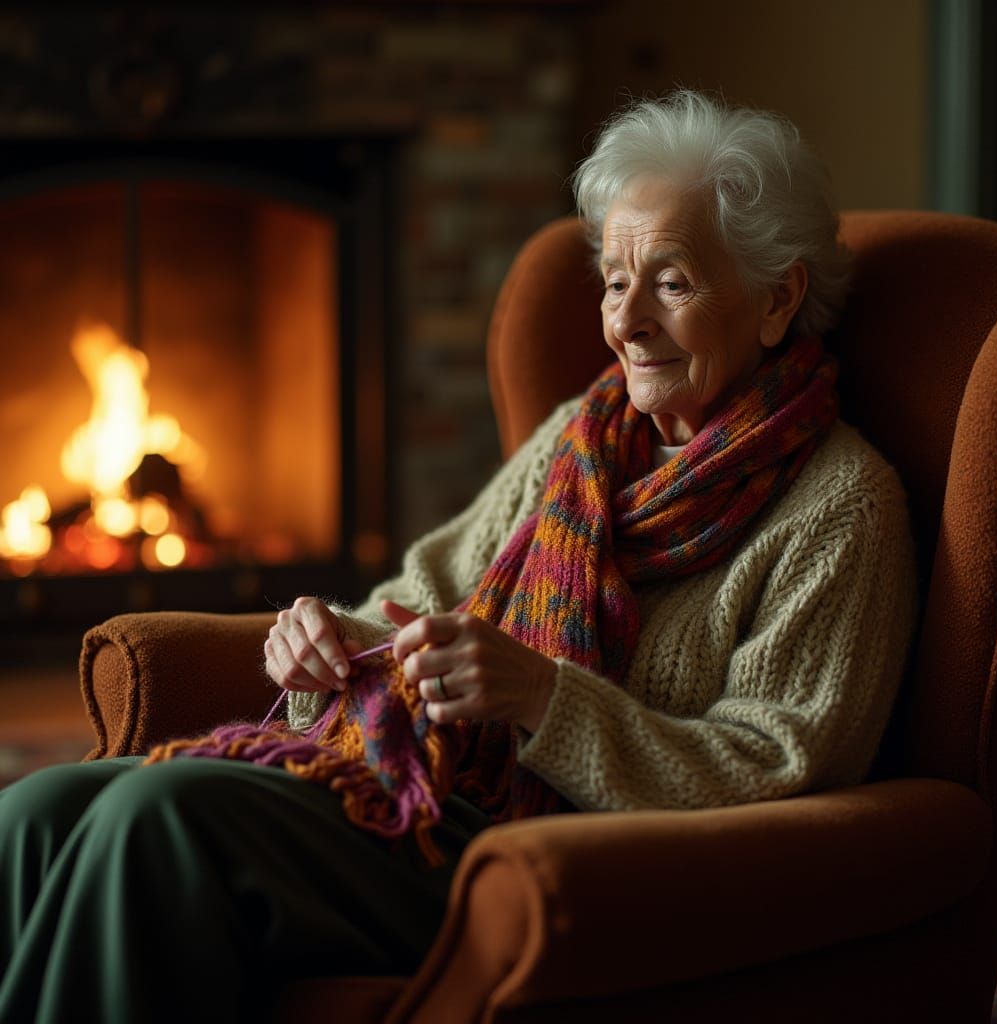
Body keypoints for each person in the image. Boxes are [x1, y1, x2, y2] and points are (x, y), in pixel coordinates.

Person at [0, 89, 916, 1023]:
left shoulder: (840, 508)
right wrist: (332, 644)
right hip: (444, 795)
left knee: (156, 818)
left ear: (777, 299)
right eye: (613, 281)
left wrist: (542, 698)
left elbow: (780, 768)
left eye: (672, 283)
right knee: (37, 812)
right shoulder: (585, 441)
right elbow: (414, 601)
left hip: (577, 862)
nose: (627, 321)